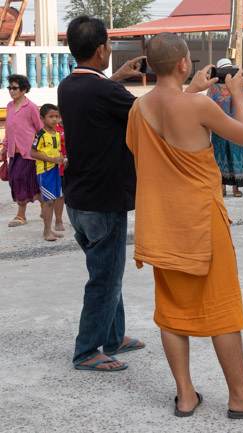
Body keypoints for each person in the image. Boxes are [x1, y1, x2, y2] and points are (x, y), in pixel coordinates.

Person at [126, 32, 243, 419]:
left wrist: (190, 90)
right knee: (222, 309)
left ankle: (185, 396)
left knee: (170, 311)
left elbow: (145, 148)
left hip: (162, 224)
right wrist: (236, 92)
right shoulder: (198, 106)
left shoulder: (138, 110)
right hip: (200, 222)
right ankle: (240, 396)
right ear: (184, 64)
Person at [59, 16, 149, 371]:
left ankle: (114, 336)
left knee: (107, 268)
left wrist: (118, 75)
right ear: (101, 50)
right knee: (106, 275)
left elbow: (96, 94)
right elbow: (150, 112)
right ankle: (87, 350)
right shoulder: (104, 91)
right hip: (103, 200)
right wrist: (189, 90)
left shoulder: (69, 86)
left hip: (79, 199)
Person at [3, 74, 42, 227]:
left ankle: (21, 215)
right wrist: (4, 147)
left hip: (28, 153)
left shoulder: (31, 107)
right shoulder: (9, 106)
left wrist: (36, 148)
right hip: (13, 152)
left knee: (20, 180)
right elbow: (8, 129)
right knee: (18, 181)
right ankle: (45, 205)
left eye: (15, 88)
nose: (11, 91)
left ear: (24, 89)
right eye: (9, 88)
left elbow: (40, 129)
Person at [209, 58, 243, 197]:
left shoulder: (238, 86)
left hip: (235, 125)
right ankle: (222, 187)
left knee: (235, 156)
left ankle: (235, 188)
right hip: (219, 127)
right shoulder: (213, 87)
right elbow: (209, 106)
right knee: (220, 157)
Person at [30, 104, 66, 241]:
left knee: (55, 199)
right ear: (42, 118)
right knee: (48, 202)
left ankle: (50, 229)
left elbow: (57, 152)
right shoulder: (40, 134)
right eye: (51, 117)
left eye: (57, 116)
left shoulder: (56, 134)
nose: (54, 119)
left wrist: (62, 159)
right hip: (44, 172)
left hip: (55, 170)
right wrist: (51, 159)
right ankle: (46, 232)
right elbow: (32, 152)